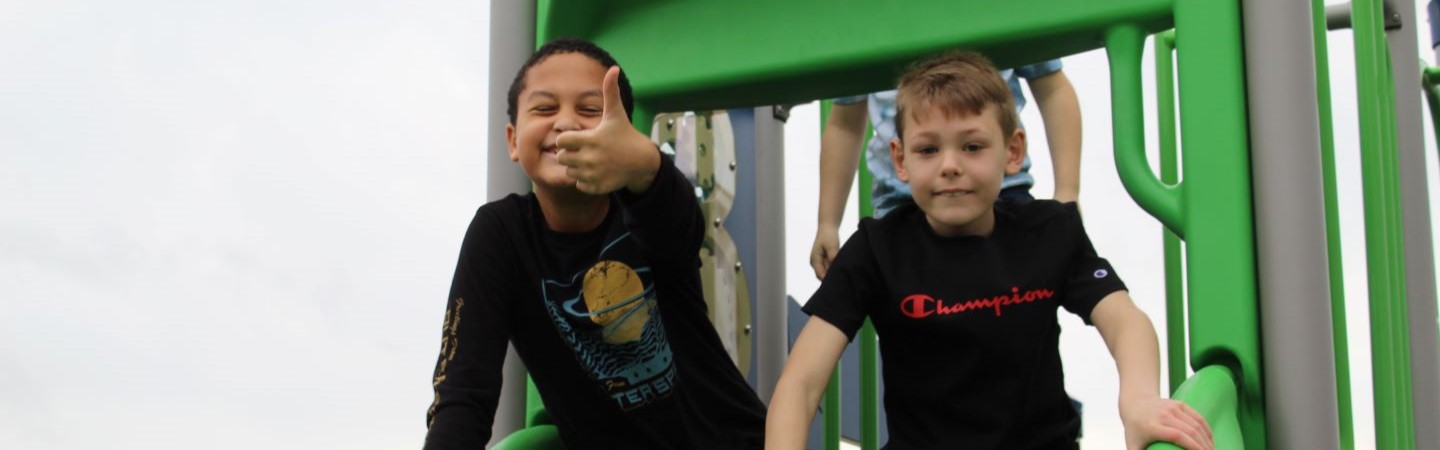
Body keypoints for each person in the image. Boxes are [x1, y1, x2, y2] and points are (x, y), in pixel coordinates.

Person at [766, 51, 1213, 450]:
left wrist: (1137, 400)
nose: (950, 165)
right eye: (928, 149)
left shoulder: (1049, 232)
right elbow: (801, 382)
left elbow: (1125, 321)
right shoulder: (878, 250)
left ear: (1012, 151)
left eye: (973, 146)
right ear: (900, 161)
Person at [423, 37, 766, 450]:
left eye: (589, 110)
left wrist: (644, 165)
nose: (565, 123)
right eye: (545, 108)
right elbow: (463, 394)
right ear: (513, 140)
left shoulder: (644, 209)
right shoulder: (500, 235)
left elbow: (680, 225)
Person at [811, 58, 1082, 280]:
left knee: (1011, 306)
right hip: (900, 204)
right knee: (912, 317)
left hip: (1000, 193)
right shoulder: (864, 16)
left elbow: (1052, 87)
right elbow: (845, 124)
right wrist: (828, 222)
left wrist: (1067, 191)